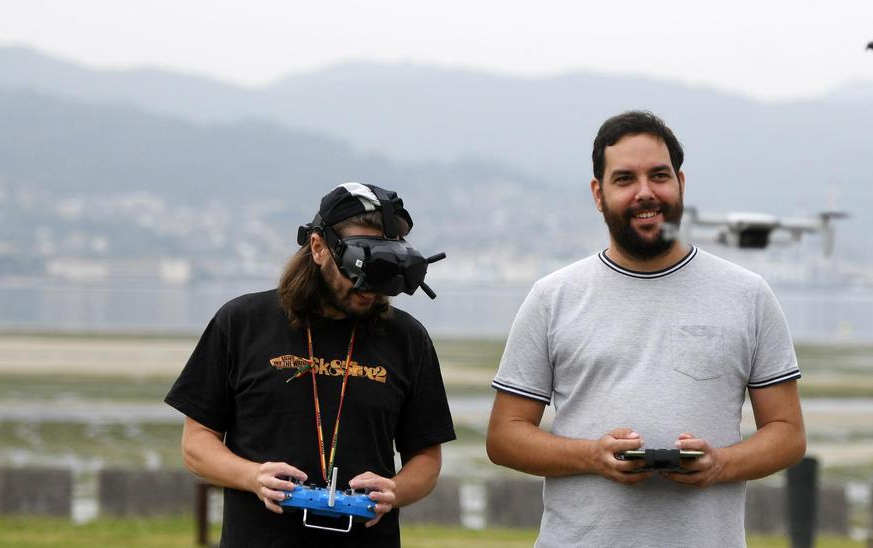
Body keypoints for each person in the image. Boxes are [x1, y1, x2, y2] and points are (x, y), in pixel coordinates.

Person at [486, 111, 806, 547]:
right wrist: (592, 456)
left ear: (681, 184)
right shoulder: (552, 296)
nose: (645, 193)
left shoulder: (747, 294)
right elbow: (505, 437)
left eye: (659, 175)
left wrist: (721, 463)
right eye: (624, 180)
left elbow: (788, 433)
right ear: (598, 194)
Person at [166, 182, 456, 546]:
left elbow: (427, 458)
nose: (368, 288)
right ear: (318, 247)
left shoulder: (408, 340)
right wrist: (252, 476)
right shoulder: (241, 323)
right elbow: (196, 445)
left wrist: (395, 490)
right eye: (359, 266)